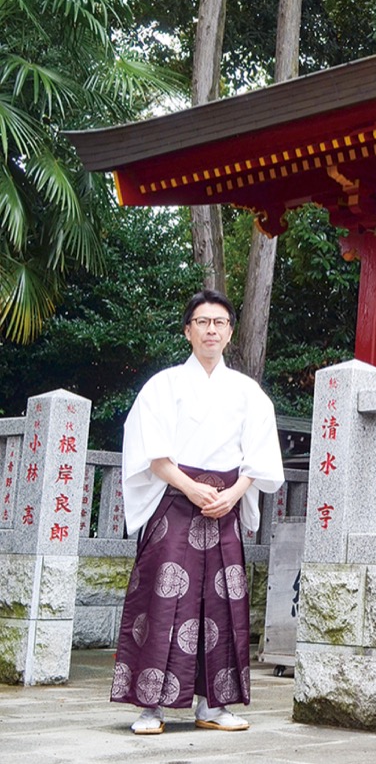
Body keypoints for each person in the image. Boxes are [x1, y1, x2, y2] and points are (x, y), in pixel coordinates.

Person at [110, 290, 284, 734]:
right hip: (174, 503)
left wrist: (234, 493)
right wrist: (191, 488)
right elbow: (152, 453)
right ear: (188, 331)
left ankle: (214, 706)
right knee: (163, 600)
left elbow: (260, 457)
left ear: (230, 333)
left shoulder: (248, 393)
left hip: (224, 507)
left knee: (223, 606)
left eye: (219, 323)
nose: (211, 330)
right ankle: (150, 708)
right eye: (202, 322)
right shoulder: (162, 386)